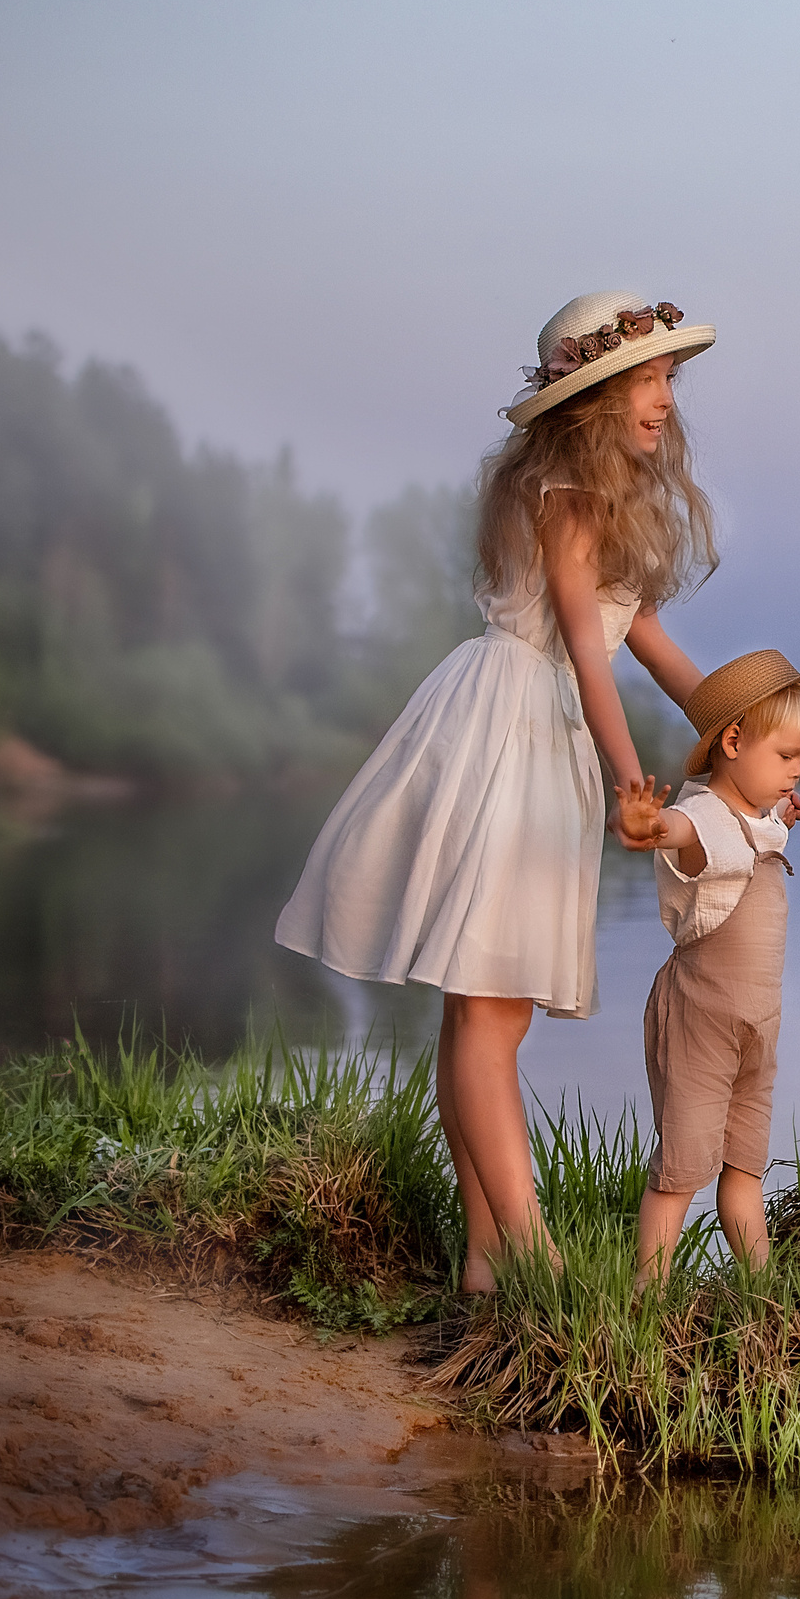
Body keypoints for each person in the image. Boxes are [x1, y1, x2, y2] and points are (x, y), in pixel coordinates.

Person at [275, 291, 720, 1292]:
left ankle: (485, 1253)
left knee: (485, 1015)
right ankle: (527, 1249)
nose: (664, 398)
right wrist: (627, 777)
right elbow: (576, 639)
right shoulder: (564, 494)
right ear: (595, 395)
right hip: (511, 727)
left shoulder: (601, 504)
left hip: (536, 731)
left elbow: (644, 645)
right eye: (647, 379)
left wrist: (734, 724)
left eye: (668, 380)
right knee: (487, 1015)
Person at [615, 650, 800, 1279]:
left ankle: (762, 1291)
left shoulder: (756, 818)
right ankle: (647, 1298)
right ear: (735, 741)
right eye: (787, 756)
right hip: (701, 1023)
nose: (799, 772)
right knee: (682, 1167)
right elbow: (681, 832)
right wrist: (647, 823)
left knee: (745, 1164)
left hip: (756, 1027)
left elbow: (758, 831)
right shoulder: (701, 816)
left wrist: (783, 817)